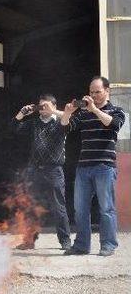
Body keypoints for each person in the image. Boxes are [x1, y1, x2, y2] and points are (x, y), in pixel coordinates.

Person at [61, 76, 125, 257]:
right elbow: (66, 127)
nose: (93, 95)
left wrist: (95, 109)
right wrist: (67, 112)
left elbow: (112, 124)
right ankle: (81, 245)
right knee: (80, 209)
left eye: (97, 92)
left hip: (105, 167)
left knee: (106, 208)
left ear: (107, 91)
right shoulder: (83, 113)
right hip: (83, 167)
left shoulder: (116, 110)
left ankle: (108, 245)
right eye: (91, 92)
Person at [11, 94, 71, 250]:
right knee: (31, 206)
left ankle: (65, 241)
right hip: (35, 170)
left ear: (53, 106)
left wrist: (55, 111)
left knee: (59, 206)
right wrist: (22, 113)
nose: (41, 108)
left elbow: (69, 119)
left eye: (45, 106)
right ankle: (29, 241)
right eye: (40, 106)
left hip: (54, 170)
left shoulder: (61, 122)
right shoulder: (34, 123)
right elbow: (13, 128)